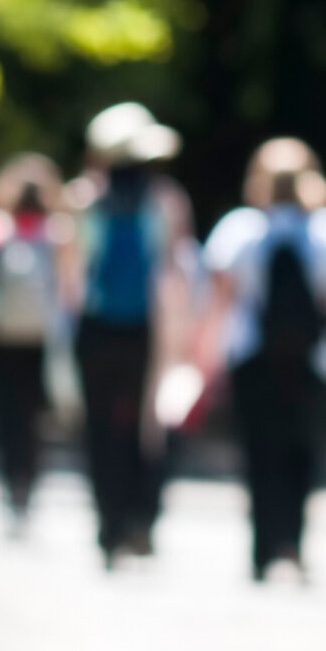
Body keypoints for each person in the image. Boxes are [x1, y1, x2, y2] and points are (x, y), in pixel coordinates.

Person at [198, 138, 326, 581]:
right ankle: (292, 546)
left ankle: (263, 550)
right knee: (303, 452)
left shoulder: (237, 230)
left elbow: (219, 305)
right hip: (314, 361)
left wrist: (202, 362)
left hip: (251, 359)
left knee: (258, 453)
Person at [72, 103, 194, 567]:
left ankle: (110, 527)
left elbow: (71, 275)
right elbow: (177, 270)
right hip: (151, 330)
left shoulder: (83, 198)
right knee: (151, 430)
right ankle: (140, 519)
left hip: (97, 330)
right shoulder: (167, 200)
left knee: (101, 429)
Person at [0, 153, 73, 526]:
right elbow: (70, 289)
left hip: (0, 334)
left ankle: (12, 486)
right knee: (34, 417)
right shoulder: (61, 233)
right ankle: (28, 485)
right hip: (41, 338)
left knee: (6, 415)